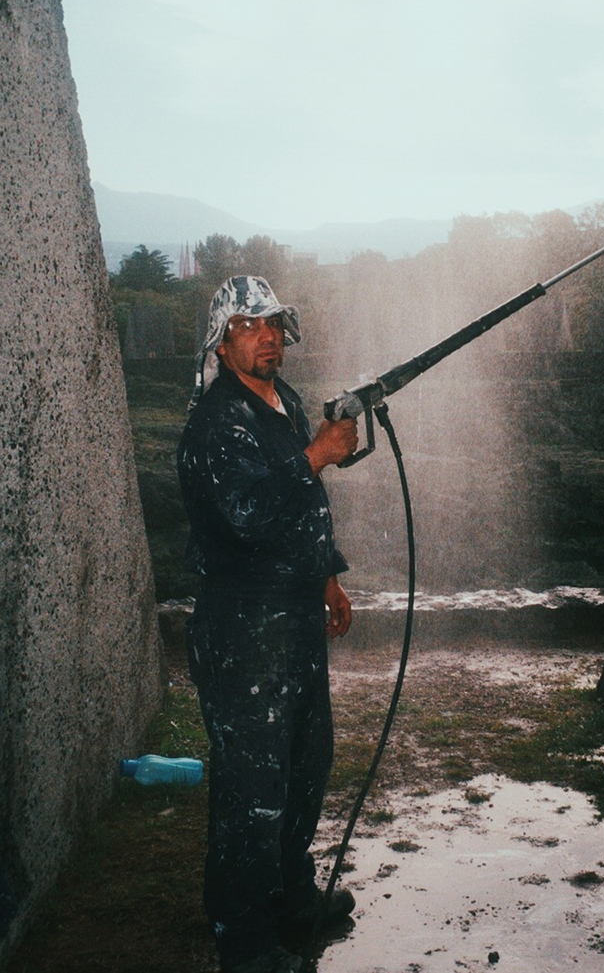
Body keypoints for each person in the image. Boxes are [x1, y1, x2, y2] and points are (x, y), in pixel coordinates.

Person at [177, 275, 358, 973]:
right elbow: (250, 515)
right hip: (243, 626)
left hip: (295, 617)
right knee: (251, 789)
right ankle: (245, 942)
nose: (268, 336)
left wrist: (329, 573)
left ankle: (290, 898)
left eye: (275, 324)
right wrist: (317, 452)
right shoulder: (214, 425)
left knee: (305, 765)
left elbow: (301, 508)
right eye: (251, 325)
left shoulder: (283, 405)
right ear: (223, 341)